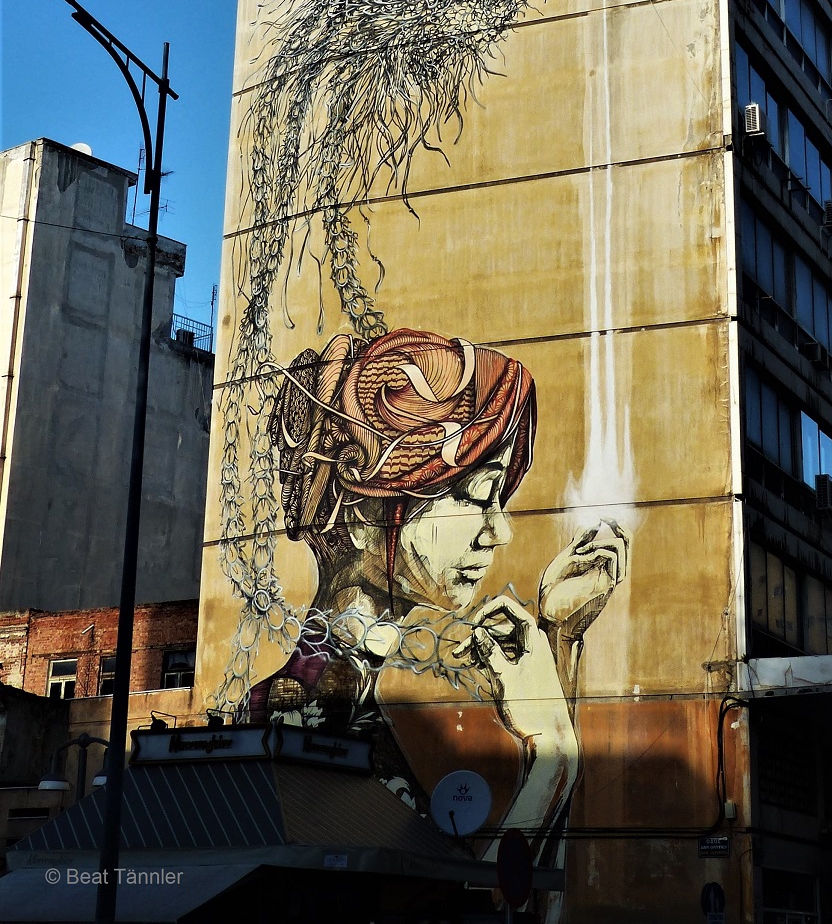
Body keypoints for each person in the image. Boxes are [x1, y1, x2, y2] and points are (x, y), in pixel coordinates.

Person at [248, 327, 627, 854]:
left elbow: (530, 889)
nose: (500, 531)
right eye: (477, 495)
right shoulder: (302, 713)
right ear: (363, 516)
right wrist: (554, 753)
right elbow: (462, 893)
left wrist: (561, 637)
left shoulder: (365, 685)